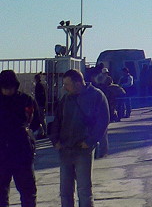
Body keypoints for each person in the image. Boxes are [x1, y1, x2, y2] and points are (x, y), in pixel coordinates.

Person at [50, 68, 109, 207]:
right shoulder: (66, 98)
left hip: (83, 149)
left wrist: (90, 141)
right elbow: (58, 120)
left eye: (67, 84)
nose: (65, 87)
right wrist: (55, 140)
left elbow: (103, 121)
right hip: (65, 149)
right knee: (65, 191)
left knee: (84, 190)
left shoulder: (96, 96)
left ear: (78, 83)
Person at [1, 69, 43, 207]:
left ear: (16, 86)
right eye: (5, 88)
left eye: (10, 88)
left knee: (28, 191)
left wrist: (27, 133)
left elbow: (36, 122)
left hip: (22, 152)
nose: (8, 91)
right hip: (2, 153)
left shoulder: (26, 100)